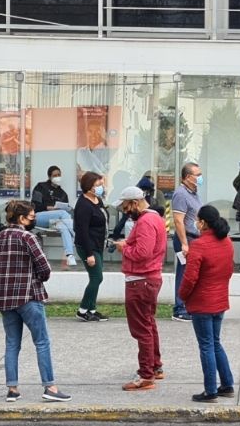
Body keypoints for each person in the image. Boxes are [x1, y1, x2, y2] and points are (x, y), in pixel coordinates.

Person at [0, 200, 71, 403]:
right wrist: (37, 278)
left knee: (11, 343)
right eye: (32, 217)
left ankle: (13, 388)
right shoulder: (28, 237)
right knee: (42, 342)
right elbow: (44, 268)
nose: (34, 220)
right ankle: (50, 386)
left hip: (4, 298)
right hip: (28, 295)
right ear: (22, 218)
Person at [178, 205, 236, 403]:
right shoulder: (226, 241)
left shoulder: (199, 245)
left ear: (202, 222)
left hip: (202, 302)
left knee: (206, 345)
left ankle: (210, 390)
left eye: (197, 220)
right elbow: (228, 269)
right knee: (215, 342)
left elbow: (190, 278)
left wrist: (182, 296)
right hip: (219, 299)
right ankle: (227, 384)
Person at [114, 186, 168, 391]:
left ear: (135, 203)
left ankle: (146, 375)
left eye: (127, 207)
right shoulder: (155, 218)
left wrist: (124, 248)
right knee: (149, 323)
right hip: (149, 278)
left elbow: (143, 252)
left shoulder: (145, 221)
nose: (126, 212)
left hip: (140, 279)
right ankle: (155, 366)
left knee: (141, 329)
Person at [73, 171, 109, 322]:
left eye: (101, 184)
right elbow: (82, 231)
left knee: (96, 277)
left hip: (98, 244)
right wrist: (89, 254)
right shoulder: (83, 205)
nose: (101, 187)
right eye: (98, 185)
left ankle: (92, 309)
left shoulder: (97, 200)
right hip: (88, 246)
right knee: (96, 277)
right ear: (89, 187)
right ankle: (82, 310)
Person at [171, 162, 204, 322]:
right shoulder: (181, 194)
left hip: (195, 237)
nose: (200, 178)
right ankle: (179, 308)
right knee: (184, 273)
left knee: (191, 274)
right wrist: (184, 243)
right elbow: (178, 221)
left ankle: (188, 305)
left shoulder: (193, 193)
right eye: (197, 175)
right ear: (187, 177)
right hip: (185, 238)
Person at [30, 166, 78, 267]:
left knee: (64, 226)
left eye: (59, 175)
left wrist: (68, 208)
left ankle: (70, 255)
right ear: (49, 176)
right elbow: (35, 206)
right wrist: (50, 208)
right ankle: (78, 237)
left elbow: (65, 211)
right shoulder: (41, 187)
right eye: (55, 175)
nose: (57, 177)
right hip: (39, 217)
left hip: (54, 221)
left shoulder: (63, 194)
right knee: (62, 213)